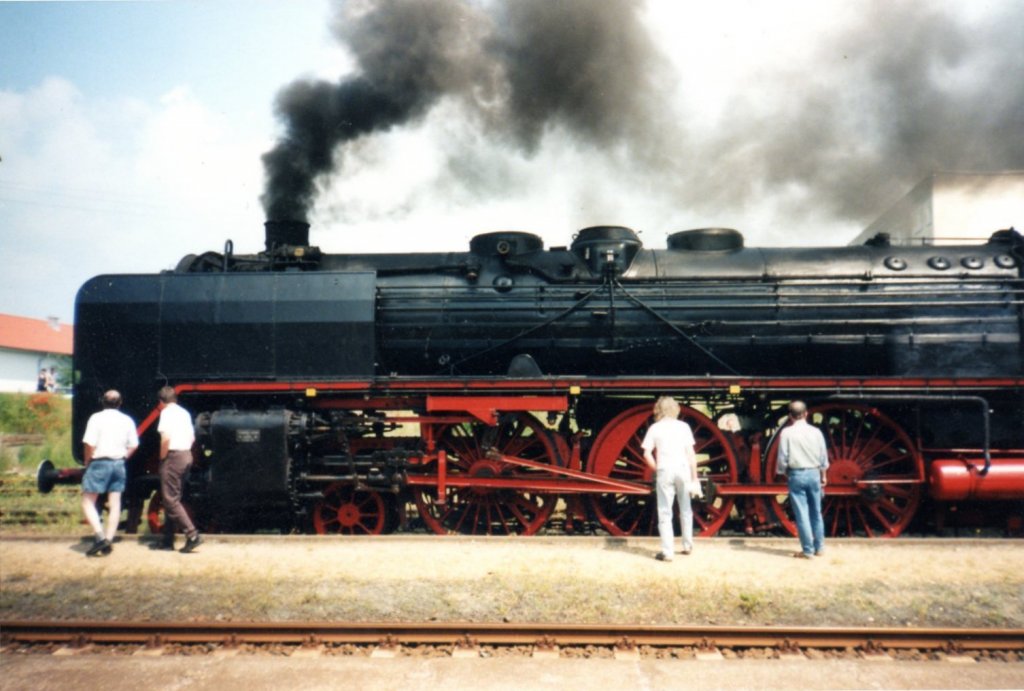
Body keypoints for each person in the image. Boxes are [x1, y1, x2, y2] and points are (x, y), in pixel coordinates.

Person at [641, 396, 700, 561]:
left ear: (659, 410)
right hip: (682, 470)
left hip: (665, 470)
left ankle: (668, 552)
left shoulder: (655, 428)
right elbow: (691, 454)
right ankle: (687, 545)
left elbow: (646, 453)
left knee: (665, 511)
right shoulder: (684, 427)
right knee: (686, 509)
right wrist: (694, 477)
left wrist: (657, 469)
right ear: (675, 409)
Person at [80, 390, 138, 557]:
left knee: (87, 501)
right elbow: (134, 444)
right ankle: (109, 540)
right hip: (118, 463)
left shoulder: (96, 418)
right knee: (115, 503)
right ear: (120, 403)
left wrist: (87, 460)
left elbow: (89, 443)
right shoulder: (127, 420)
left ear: (102, 402)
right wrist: (124, 456)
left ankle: (100, 537)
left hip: (99, 462)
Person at [774, 400, 830, 559]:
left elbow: (782, 458)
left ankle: (807, 551)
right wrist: (823, 476)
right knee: (816, 513)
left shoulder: (786, 433)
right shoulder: (816, 432)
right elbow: (823, 458)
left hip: (796, 474)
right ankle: (819, 548)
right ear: (806, 414)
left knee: (802, 514)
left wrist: (784, 472)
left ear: (790, 416)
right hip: (814, 474)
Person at [154, 386, 202, 553]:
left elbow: (165, 438)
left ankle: (192, 535)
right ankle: (168, 540)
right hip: (186, 455)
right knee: (174, 498)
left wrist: (162, 458)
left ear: (161, 402)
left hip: (173, 456)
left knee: (170, 500)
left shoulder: (166, 413)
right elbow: (192, 437)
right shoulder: (184, 413)